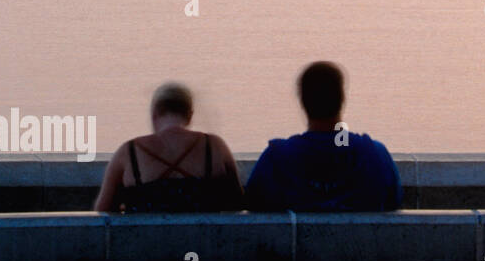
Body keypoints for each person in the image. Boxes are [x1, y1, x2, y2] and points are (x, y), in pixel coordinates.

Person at [245, 61, 401, 212]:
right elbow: (394, 204)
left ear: (303, 102)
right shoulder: (375, 155)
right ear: (342, 99)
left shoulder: (275, 160)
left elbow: (253, 206)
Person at [95, 82, 243, 213]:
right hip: (205, 243)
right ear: (190, 115)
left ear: (155, 113)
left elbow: (103, 211)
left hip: (145, 243)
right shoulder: (215, 146)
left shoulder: (129, 151)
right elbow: (238, 203)